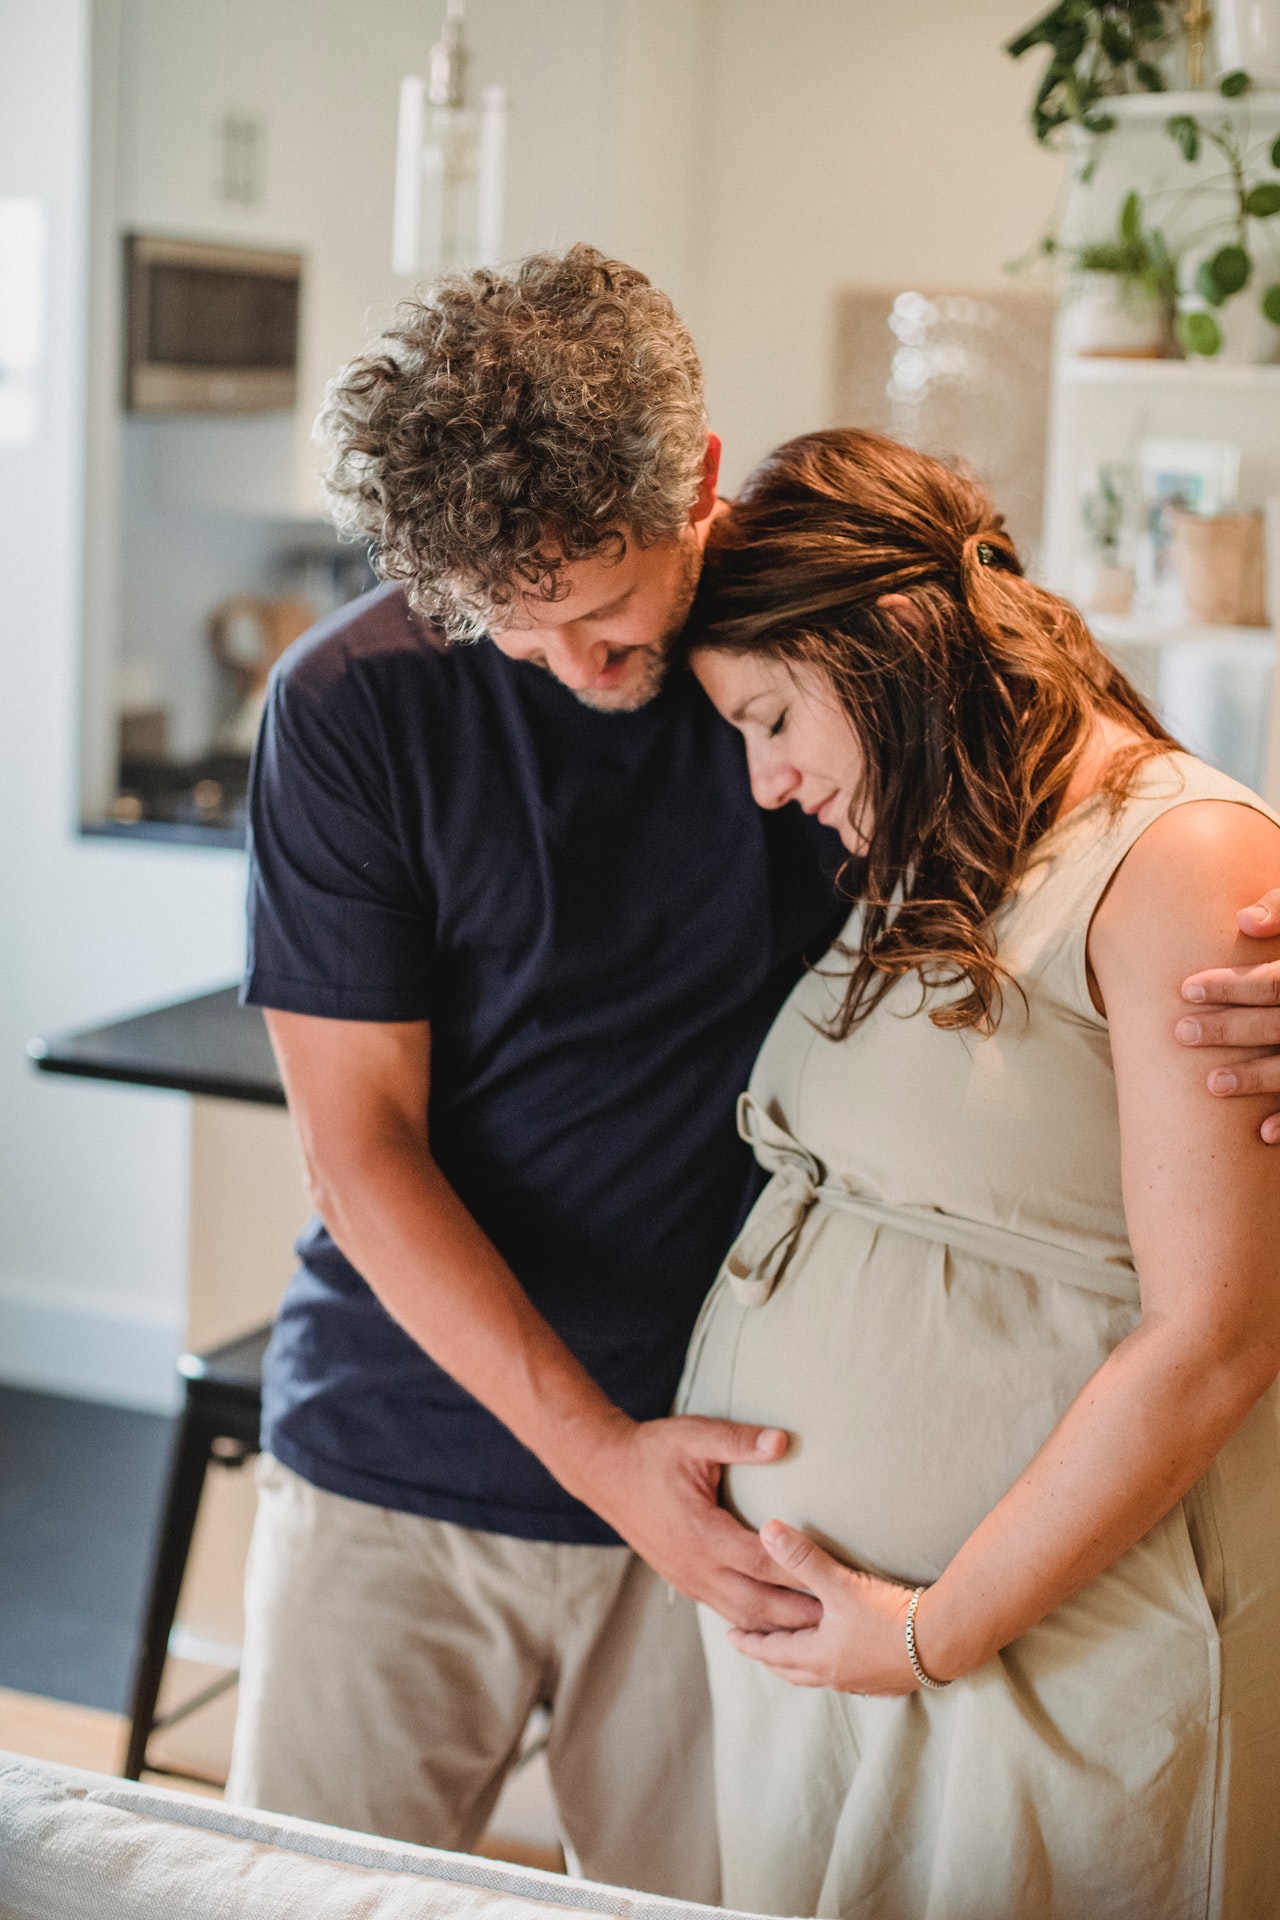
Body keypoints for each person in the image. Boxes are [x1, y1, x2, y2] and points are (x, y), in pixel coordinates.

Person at [223, 246, 843, 1891]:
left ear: (697, 483)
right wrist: (599, 1461)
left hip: (743, 1460)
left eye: (603, 603)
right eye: (509, 619)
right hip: (400, 1461)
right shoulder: (350, 706)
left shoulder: (828, 661)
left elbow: (1104, 815)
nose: (566, 656)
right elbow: (361, 1152)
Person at [677, 428, 1280, 1918]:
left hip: (1053, 1645)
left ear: (889, 643)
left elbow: (1217, 1337)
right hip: (869, 1652)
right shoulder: (942, 837)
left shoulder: (1179, 859)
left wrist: (934, 1629)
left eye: (772, 717)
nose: (764, 783)